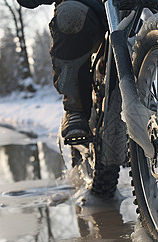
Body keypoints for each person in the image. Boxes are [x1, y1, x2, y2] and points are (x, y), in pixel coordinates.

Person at [17, 0, 106, 144]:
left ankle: (144, 102)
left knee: (144, 30)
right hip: (86, 13)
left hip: (127, 11)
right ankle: (75, 107)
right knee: (70, 15)